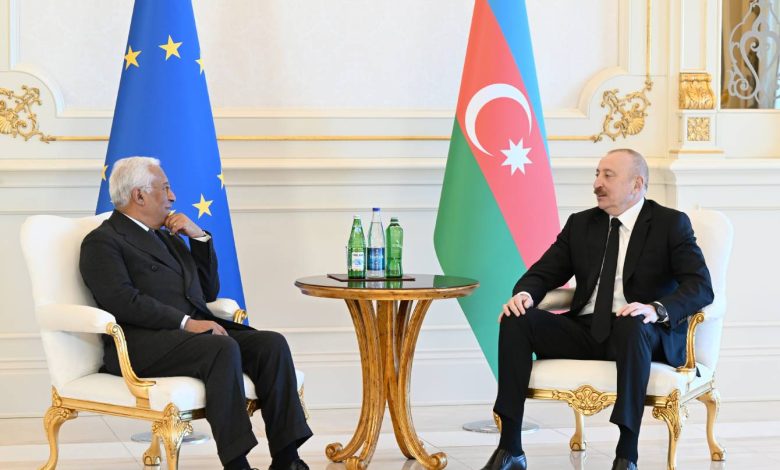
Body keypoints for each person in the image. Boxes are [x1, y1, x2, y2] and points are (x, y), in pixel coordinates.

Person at [481, 149, 713, 470]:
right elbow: (543, 272)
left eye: (608, 176)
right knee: (516, 318)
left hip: (641, 334)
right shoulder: (581, 224)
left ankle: (626, 455)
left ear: (637, 184)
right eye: (597, 174)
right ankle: (510, 449)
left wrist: (655, 309)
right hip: (588, 330)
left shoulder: (669, 224)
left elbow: (700, 286)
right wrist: (524, 294)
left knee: (632, 323)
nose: (597, 184)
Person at [80, 157, 312, 470]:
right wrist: (186, 323)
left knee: (271, 344)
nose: (172, 196)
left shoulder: (167, 235)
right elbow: (123, 301)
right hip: (143, 343)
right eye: (165, 188)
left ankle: (287, 460)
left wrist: (199, 238)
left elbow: (207, 293)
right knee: (221, 347)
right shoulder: (102, 241)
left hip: (191, 336)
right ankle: (237, 465)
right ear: (139, 195)